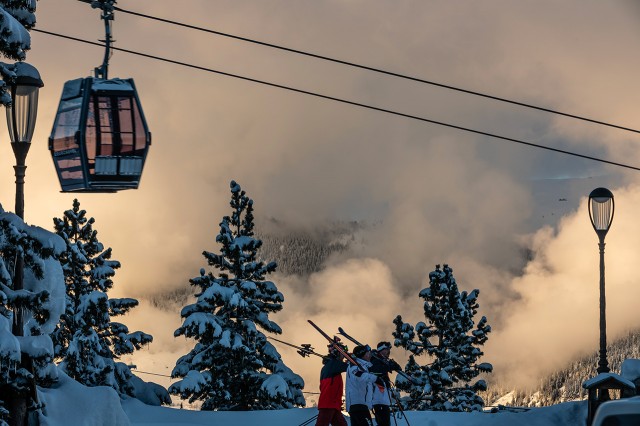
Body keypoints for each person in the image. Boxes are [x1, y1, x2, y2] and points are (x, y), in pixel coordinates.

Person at [345, 344, 386, 426]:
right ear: (362, 354)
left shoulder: (363, 366)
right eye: (368, 353)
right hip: (357, 405)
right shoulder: (354, 366)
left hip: (361, 405)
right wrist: (376, 379)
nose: (370, 354)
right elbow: (359, 375)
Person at [316, 340, 349, 426]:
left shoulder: (331, 365)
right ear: (337, 353)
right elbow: (349, 367)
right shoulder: (333, 364)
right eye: (342, 353)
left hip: (333, 404)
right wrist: (352, 359)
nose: (344, 356)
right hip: (329, 403)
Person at [369, 341, 402, 426]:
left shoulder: (384, 360)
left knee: (385, 421)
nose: (388, 351)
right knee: (383, 421)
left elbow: (396, 368)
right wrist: (389, 366)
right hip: (378, 396)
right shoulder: (374, 358)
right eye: (386, 349)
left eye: (389, 349)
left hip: (383, 395)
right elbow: (376, 370)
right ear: (381, 350)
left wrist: (394, 365)